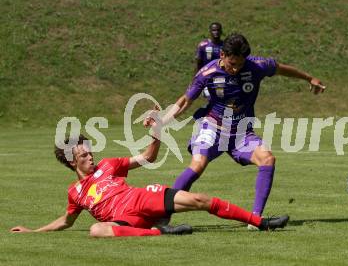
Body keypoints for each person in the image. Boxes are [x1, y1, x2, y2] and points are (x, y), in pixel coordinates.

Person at [146, 33, 325, 229]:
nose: (236, 69)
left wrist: (310, 78)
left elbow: (282, 69)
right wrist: (162, 121)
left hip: (241, 133)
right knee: (198, 165)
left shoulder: (257, 65)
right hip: (212, 127)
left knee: (268, 159)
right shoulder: (207, 73)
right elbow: (185, 101)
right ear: (222, 54)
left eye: (240, 64)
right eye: (232, 64)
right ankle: (163, 217)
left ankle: (255, 220)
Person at [10, 115, 289, 237]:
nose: (91, 156)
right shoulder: (75, 193)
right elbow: (67, 221)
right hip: (123, 220)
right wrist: (34, 231)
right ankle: (157, 232)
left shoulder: (109, 164)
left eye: (89, 151)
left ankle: (260, 222)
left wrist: (155, 131)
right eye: (84, 155)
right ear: (72, 161)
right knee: (96, 230)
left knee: (199, 199)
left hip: (142, 199)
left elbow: (147, 157)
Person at [195, 22, 224, 98]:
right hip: (207, 77)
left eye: (218, 30)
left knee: (220, 97)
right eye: (214, 30)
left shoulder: (225, 45)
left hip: (220, 77)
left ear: (221, 31)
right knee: (209, 97)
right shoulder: (203, 45)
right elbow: (199, 62)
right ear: (210, 31)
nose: (216, 32)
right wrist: (197, 78)